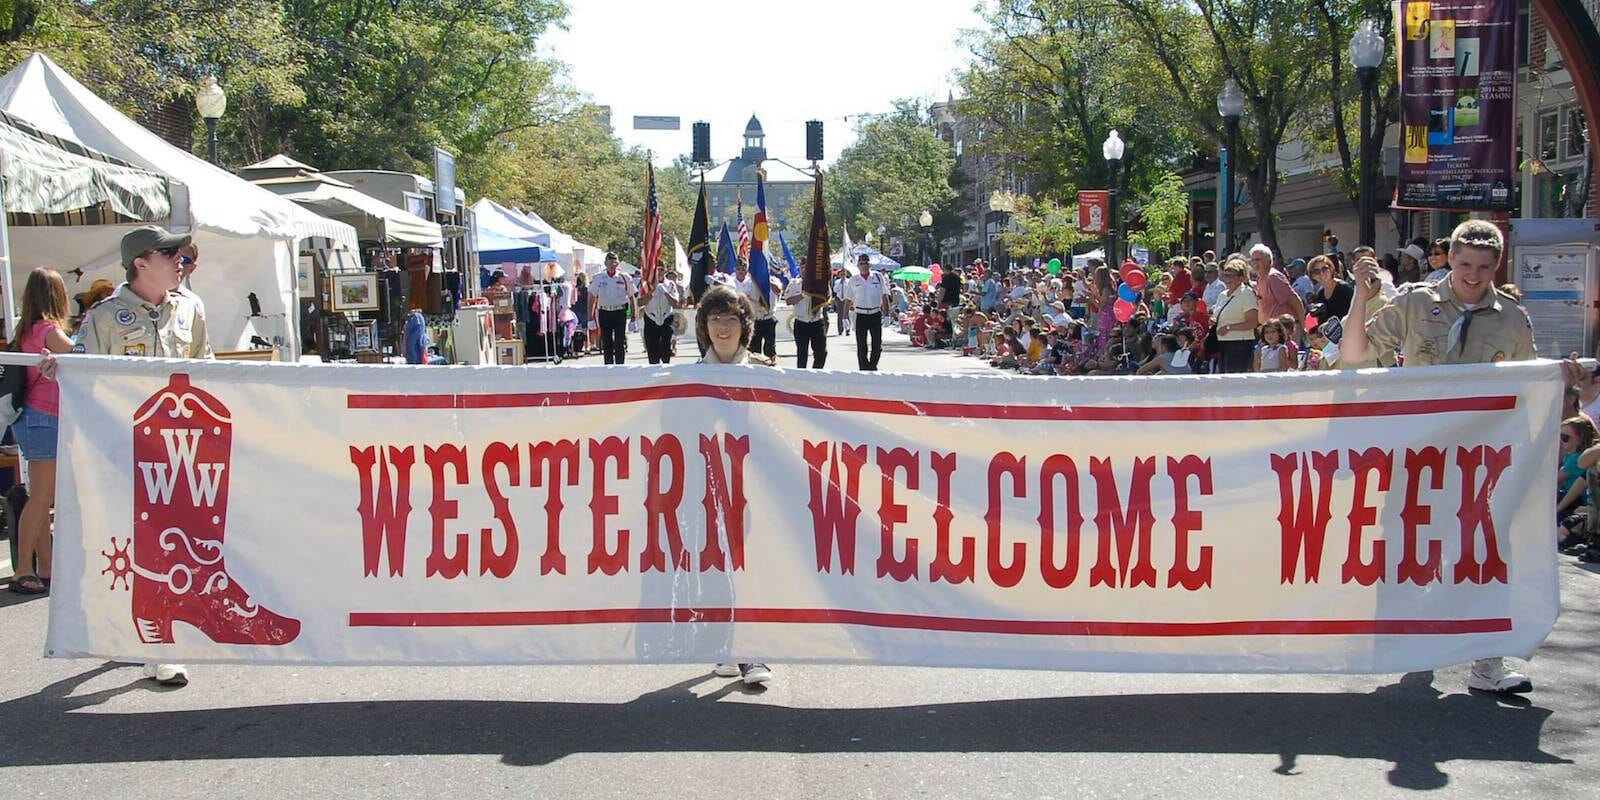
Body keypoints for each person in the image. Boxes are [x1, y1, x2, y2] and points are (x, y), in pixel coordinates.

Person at [1342, 219, 1587, 694]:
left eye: (1484, 266)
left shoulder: (1512, 319)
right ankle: (1403, 642)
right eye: (1463, 264)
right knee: (1406, 546)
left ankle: (1485, 662)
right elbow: (1355, 357)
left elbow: (1527, 389)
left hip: (1481, 459)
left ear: (1498, 265)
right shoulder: (1415, 303)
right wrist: (1360, 296)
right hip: (1417, 450)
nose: (1472, 275)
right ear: (1449, 259)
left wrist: (1565, 378)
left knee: (1484, 554)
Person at [70, 225, 217, 687]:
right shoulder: (105, 318)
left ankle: (161, 647)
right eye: (171, 253)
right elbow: (83, 379)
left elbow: (207, 370)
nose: (181, 260)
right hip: (120, 449)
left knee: (168, 544)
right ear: (140, 262)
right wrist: (62, 370)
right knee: (119, 545)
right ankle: (119, 628)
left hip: (177, 449)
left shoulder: (191, 309)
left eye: (183, 255)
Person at [691, 284, 775, 685]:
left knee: (751, 567)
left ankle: (751, 650)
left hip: (753, 488)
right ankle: (726, 644)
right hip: (704, 488)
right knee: (715, 568)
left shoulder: (765, 373)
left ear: (744, 326)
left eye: (730, 319)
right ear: (705, 327)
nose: (723, 327)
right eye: (714, 319)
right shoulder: (687, 378)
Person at [6, 268, 76, 596]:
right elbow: (79, 354)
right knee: (42, 498)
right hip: (45, 417)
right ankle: (23, 569)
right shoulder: (49, 330)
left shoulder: (26, 329)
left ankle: (45, 566)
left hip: (33, 417)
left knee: (41, 496)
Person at [1211, 259, 1259, 374]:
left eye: (1231, 276)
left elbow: (1252, 322)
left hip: (1240, 344)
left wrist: (1228, 328)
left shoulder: (1246, 293)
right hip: (1222, 342)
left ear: (1241, 278)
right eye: (1226, 275)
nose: (1227, 279)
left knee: (1235, 380)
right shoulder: (1222, 295)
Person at [844, 253, 890, 371]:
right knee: (861, 346)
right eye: (861, 264)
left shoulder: (878, 277)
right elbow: (848, 299)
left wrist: (887, 315)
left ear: (870, 264)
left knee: (877, 345)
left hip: (875, 314)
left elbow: (885, 296)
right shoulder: (854, 280)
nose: (864, 266)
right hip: (861, 315)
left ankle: (872, 366)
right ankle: (864, 369)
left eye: (866, 263)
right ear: (858, 266)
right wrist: (844, 318)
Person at [589, 253, 636, 364]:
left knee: (619, 342)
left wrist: (634, 317)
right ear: (605, 263)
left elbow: (631, 296)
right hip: (604, 312)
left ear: (617, 263)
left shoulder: (624, 277)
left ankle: (620, 366)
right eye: (609, 262)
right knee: (606, 342)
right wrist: (590, 317)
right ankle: (608, 368)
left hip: (619, 312)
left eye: (614, 262)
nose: (612, 265)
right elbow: (592, 297)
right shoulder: (599, 278)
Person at [1250, 244, 1306, 330]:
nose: (1254, 263)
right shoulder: (1261, 278)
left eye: (1258, 260)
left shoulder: (1273, 277)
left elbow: (1295, 300)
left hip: (1285, 330)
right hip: (1270, 331)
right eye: (1252, 260)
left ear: (1269, 261)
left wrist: (1304, 326)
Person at [785, 260, 828, 368]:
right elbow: (788, 301)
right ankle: (802, 380)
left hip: (816, 321)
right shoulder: (794, 283)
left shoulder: (819, 283)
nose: (804, 270)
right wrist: (802, 295)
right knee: (802, 354)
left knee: (821, 353)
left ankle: (815, 375)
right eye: (802, 267)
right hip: (801, 322)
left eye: (806, 267)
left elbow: (827, 299)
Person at [640, 269, 685, 365]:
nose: (659, 272)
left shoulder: (670, 284)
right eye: (657, 269)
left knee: (665, 350)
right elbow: (640, 302)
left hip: (666, 317)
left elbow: (675, 304)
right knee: (652, 352)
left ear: (665, 271)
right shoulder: (646, 284)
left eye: (661, 270)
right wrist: (651, 294)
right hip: (651, 317)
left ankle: (665, 374)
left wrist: (665, 292)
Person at [1304, 254, 1353, 326]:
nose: (1321, 274)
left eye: (1325, 269)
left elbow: (1356, 312)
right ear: (1312, 276)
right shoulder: (1320, 293)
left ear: (1331, 269)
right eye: (1316, 271)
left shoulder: (1344, 288)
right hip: (1328, 335)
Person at [571, 271, 592, 355]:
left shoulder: (576, 288)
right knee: (585, 329)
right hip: (584, 310)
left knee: (577, 329)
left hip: (577, 309)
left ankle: (578, 346)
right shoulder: (587, 288)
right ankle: (586, 346)